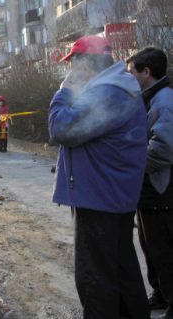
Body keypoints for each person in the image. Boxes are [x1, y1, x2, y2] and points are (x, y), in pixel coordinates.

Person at [49, 35, 149, 318]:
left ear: (85, 62)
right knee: (120, 271)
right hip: (110, 196)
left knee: (95, 279)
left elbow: (62, 129)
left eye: (73, 63)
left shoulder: (108, 92)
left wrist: (64, 92)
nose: (70, 71)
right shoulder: (115, 88)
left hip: (99, 199)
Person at [127, 47, 173, 318]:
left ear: (147, 72)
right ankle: (159, 293)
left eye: (132, 72)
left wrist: (131, 166)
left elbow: (163, 149)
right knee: (150, 245)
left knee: (164, 248)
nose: (129, 76)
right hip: (148, 189)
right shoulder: (149, 98)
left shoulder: (164, 101)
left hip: (160, 188)